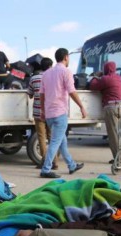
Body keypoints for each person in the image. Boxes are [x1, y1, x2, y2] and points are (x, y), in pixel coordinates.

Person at [39, 48, 87, 178]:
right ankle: (46, 169)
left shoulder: (46, 74)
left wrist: (43, 111)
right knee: (55, 142)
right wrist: (81, 106)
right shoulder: (66, 72)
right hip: (60, 113)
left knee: (62, 141)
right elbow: (71, 91)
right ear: (66, 57)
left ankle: (71, 165)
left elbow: (41, 94)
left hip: (49, 114)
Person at [89, 61, 121, 166]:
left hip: (111, 108)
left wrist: (95, 76)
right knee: (119, 134)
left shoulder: (106, 79)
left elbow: (93, 86)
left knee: (113, 135)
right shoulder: (119, 78)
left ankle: (118, 160)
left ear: (106, 69)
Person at [27, 57, 58, 170]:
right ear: (50, 66)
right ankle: (54, 162)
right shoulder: (54, 78)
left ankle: (45, 161)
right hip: (51, 112)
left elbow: (30, 94)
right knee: (52, 138)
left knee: (42, 137)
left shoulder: (34, 78)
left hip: (38, 112)